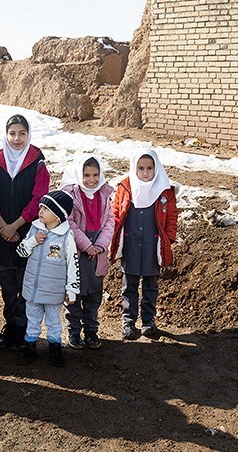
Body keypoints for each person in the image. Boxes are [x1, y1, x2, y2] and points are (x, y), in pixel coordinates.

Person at [0, 114, 51, 351]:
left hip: (27, 233)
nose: (17, 139)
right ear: (6, 135)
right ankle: (11, 326)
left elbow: (39, 199)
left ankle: (25, 328)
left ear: (29, 135)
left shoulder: (37, 162)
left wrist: (15, 226)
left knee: (26, 283)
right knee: (7, 284)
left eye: (22, 133)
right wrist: (3, 224)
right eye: (12, 133)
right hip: (2, 232)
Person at [109, 148, 179, 341]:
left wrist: (168, 238)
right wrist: (114, 237)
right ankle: (128, 321)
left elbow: (172, 216)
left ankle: (148, 321)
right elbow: (116, 213)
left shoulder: (164, 190)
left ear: (156, 168)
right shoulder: (125, 188)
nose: (146, 172)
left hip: (152, 245)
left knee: (151, 286)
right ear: (134, 168)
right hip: (131, 244)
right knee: (129, 285)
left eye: (149, 168)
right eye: (141, 168)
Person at [15, 190, 80, 367]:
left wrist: (72, 290)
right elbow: (21, 251)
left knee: (53, 320)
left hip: (54, 291)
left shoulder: (66, 236)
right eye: (41, 207)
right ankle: (30, 345)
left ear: (58, 215)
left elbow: (73, 264)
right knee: (33, 318)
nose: (40, 210)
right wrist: (33, 241)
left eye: (46, 208)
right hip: (33, 288)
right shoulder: (35, 228)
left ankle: (55, 347)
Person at [59, 154, 115, 350]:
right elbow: (69, 223)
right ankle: (73, 331)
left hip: (97, 253)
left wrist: (100, 245)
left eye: (95, 174)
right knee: (75, 293)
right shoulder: (71, 195)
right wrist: (86, 245)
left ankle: (91, 329)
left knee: (94, 294)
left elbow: (109, 221)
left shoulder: (104, 194)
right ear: (78, 174)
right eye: (86, 175)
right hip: (77, 251)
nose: (91, 179)